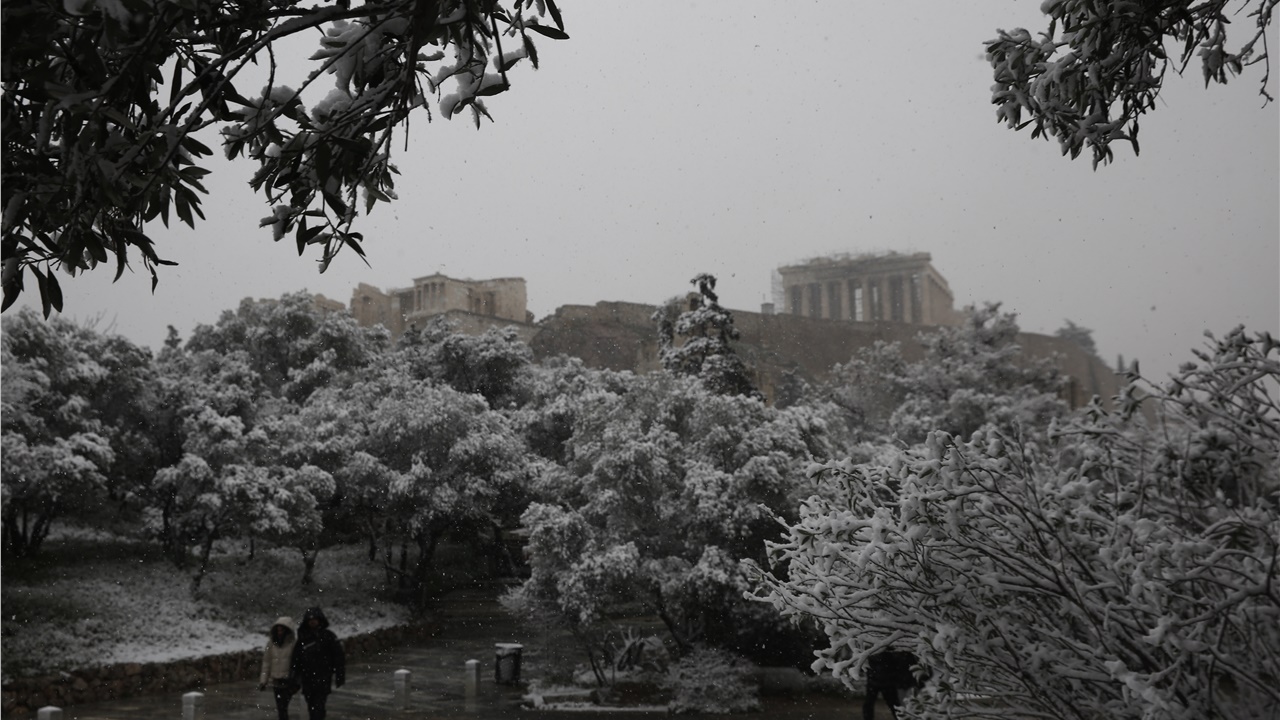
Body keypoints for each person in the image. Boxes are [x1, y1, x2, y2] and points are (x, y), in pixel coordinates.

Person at [291, 606, 346, 720]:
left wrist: (340, 674)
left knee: (319, 707)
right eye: (310, 620)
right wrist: (294, 677)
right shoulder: (303, 638)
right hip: (308, 678)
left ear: (320, 620)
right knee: (311, 706)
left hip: (323, 677)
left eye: (315, 619)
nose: (312, 622)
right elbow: (296, 659)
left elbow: (338, 657)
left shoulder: (328, 636)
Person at [863, 650, 925, 720]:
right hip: (884, 682)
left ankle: (900, 717)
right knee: (892, 704)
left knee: (891, 704)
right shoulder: (888, 653)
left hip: (883, 682)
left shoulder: (884, 653)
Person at [257, 616, 299, 720]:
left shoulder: (293, 644)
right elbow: (267, 662)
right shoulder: (271, 643)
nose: (280, 632)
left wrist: (296, 681)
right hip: (276, 680)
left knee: (283, 707)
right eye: (278, 630)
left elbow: (298, 663)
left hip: (288, 680)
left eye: (282, 630)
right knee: (281, 708)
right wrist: (263, 681)